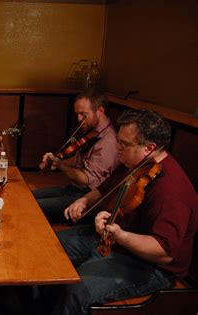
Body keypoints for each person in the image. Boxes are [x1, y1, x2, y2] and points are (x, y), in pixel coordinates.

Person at [43, 109, 197, 315]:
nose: (117, 148)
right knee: (48, 251)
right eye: (118, 141)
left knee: (77, 290)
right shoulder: (133, 163)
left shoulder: (171, 191)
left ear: (149, 148)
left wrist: (120, 235)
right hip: (112, 240)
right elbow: (104, 188)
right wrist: (83, 200)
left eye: (123, 144)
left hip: (149, 265)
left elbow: (165, 252)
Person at [32, 90, 119, 223]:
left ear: (100, 111)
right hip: (73, 189)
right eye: (77, 114)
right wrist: (57, 160)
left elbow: (85, 180)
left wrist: (61, 165)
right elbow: (80, 159)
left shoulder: (108, 142)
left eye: (83, 115)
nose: (79, 119)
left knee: (32, 207)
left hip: (86, 197)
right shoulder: (93, 131)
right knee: (29, 197)